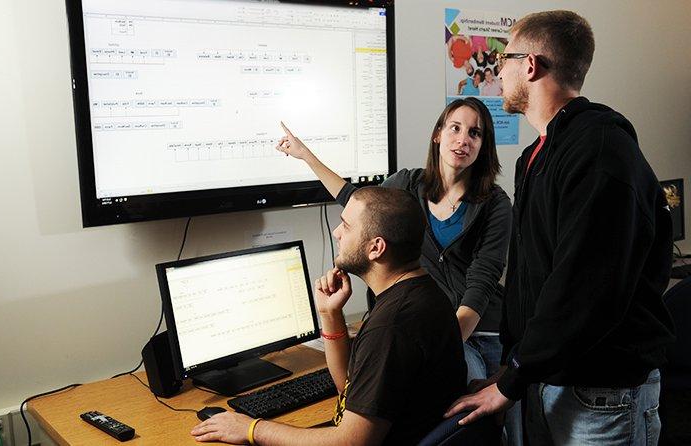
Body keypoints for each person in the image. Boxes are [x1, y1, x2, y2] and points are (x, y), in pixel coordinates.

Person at [445, 10, 676, 445]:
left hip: (603, 395)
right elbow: (537, 277)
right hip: (547, 379)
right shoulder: (536, 155)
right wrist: (512, 369)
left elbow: (584, 290)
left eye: (505, 57)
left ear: (530, 65)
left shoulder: (600, 151)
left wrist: (511, 380)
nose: (497, 67)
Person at [277, 98, 521, 443]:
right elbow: (361, 204)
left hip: (476, 327)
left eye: (475, 133)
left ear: (484, 146)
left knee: (481, 414)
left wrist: (443, 342)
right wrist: (306, 156)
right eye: (455, 127)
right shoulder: (408, 185)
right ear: (438, 134)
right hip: (433, 323)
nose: (462, 139)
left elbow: (480, 284)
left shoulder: (495, 204)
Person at [191, 187, 468, 445]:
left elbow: (350, 442)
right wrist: (330, 313)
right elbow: (349, 388)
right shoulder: (421, 293)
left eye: (346, 226)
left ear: (376, 248)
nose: (336, 233)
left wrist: (251, 428)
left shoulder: (391, 325)